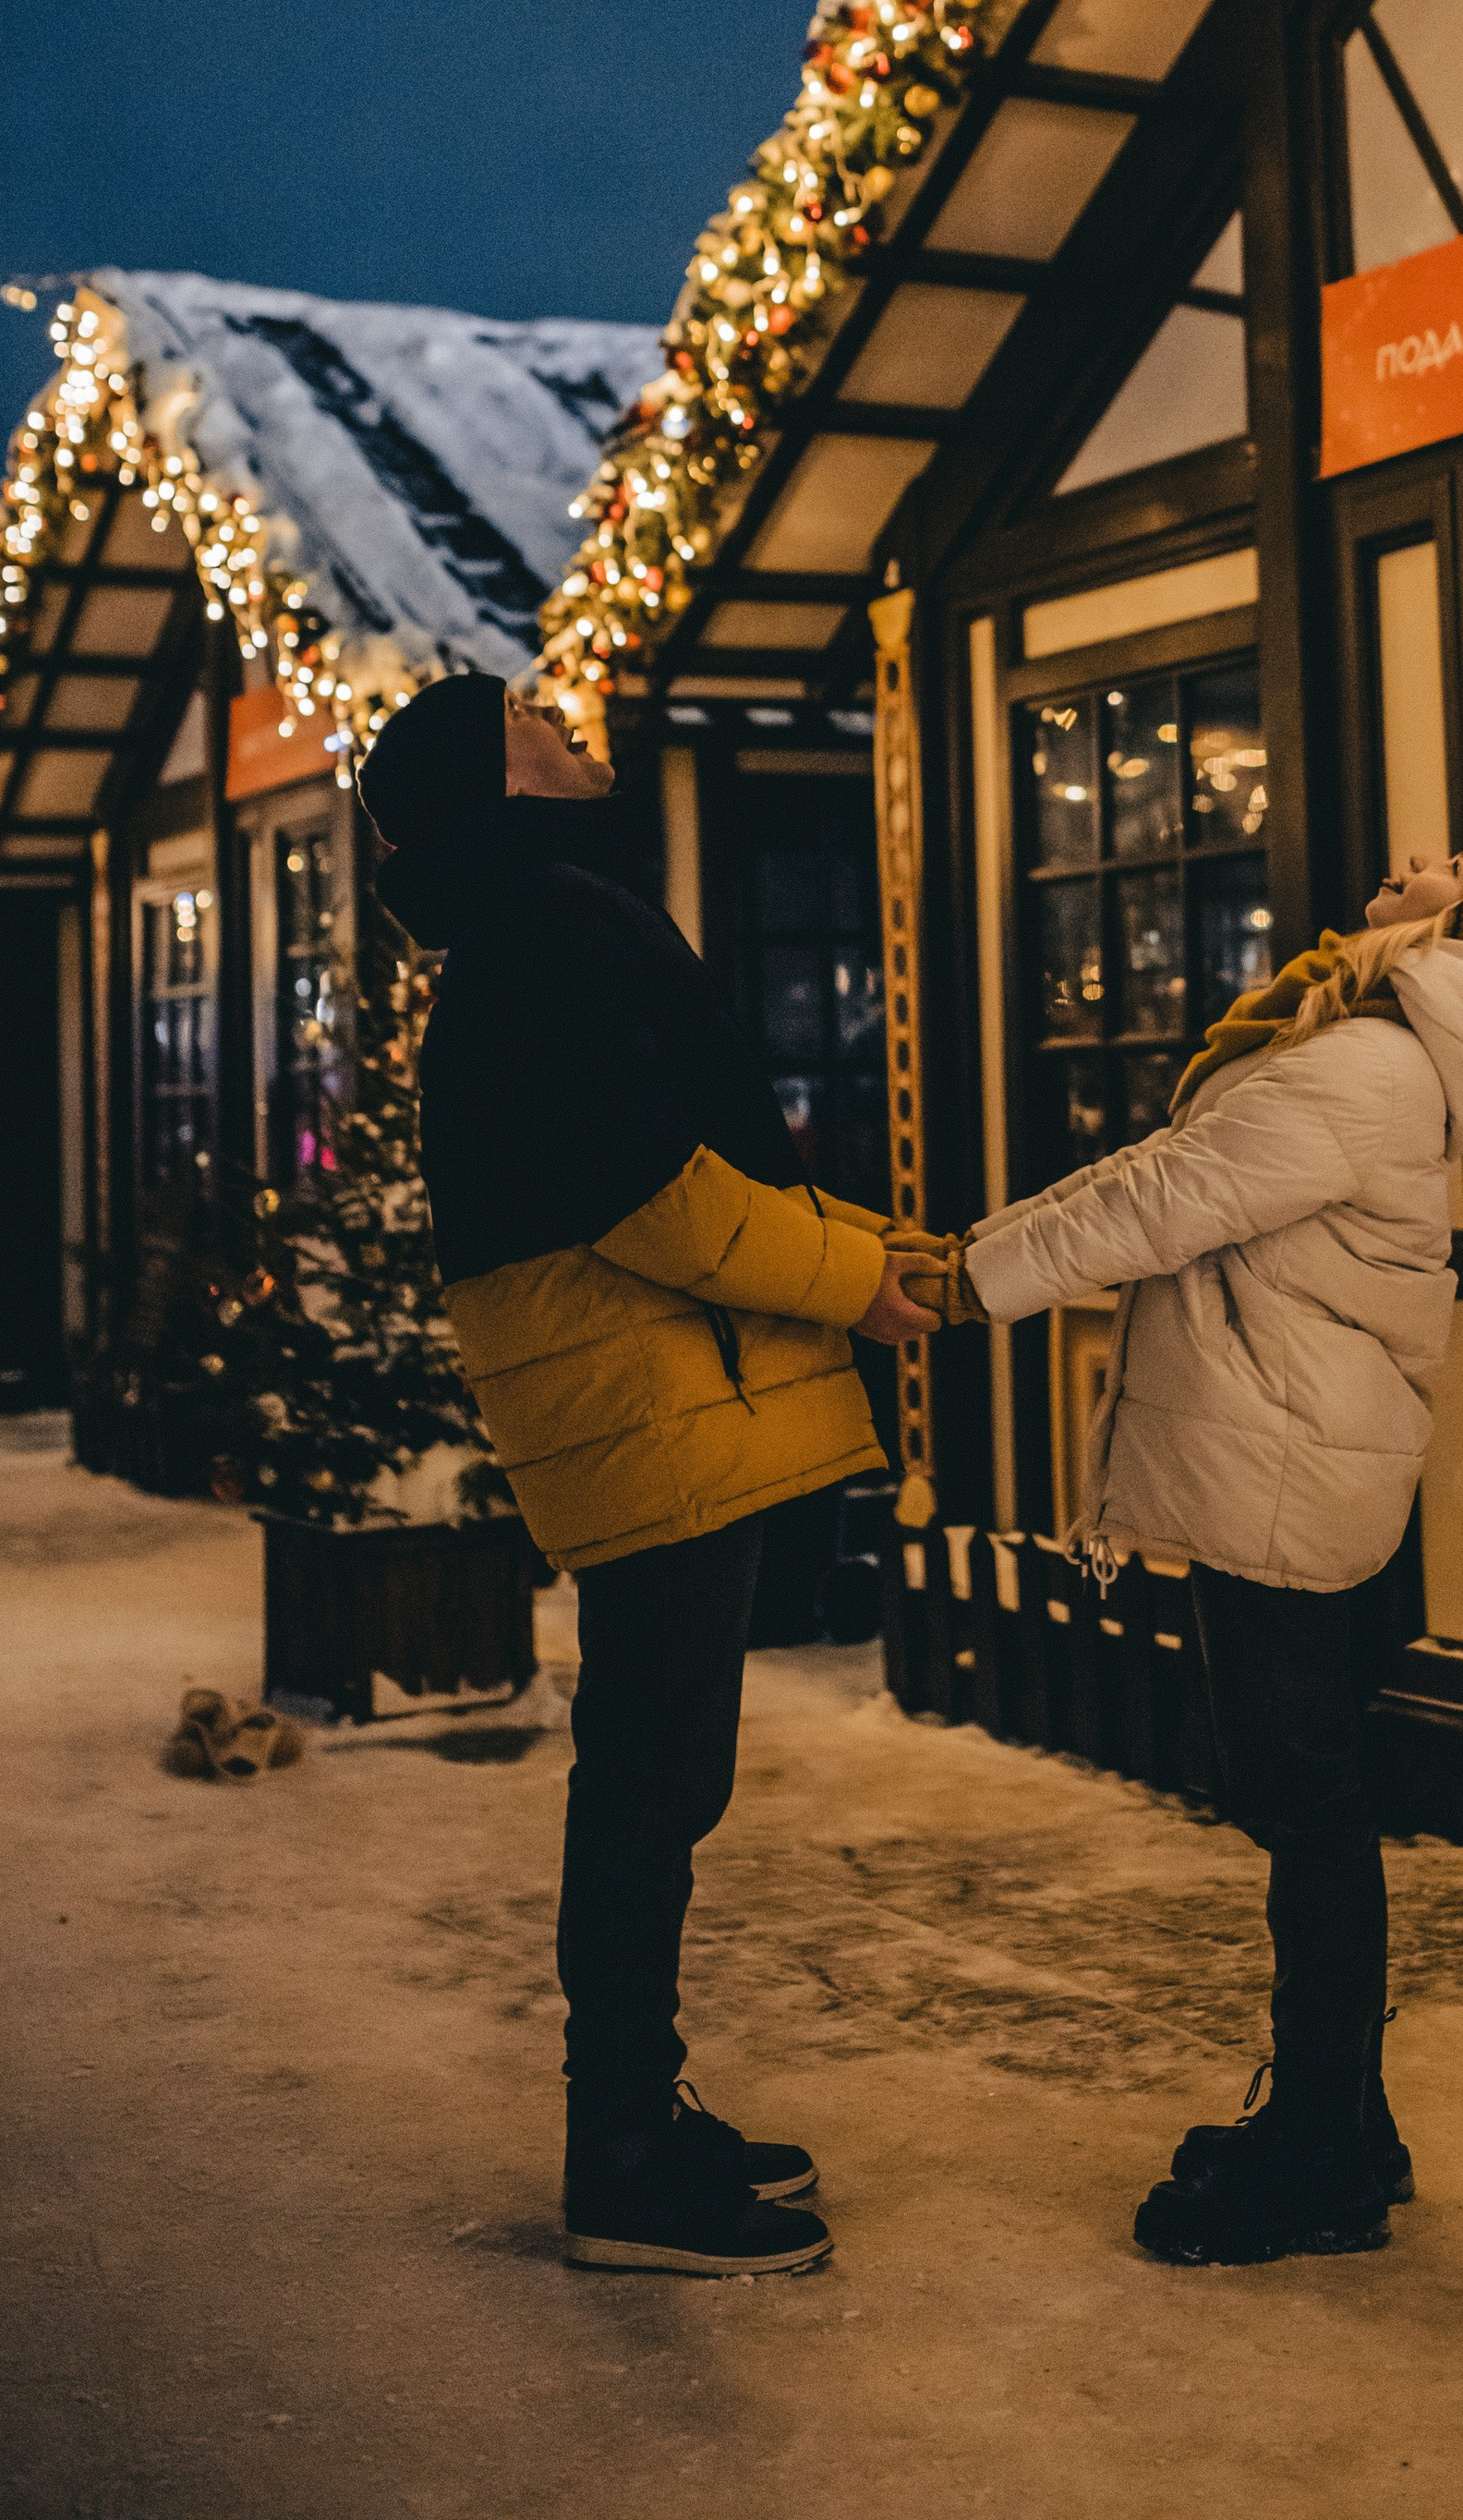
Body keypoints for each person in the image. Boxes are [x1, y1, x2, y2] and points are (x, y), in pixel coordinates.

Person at [948, 832, 1463, 2269]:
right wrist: (981, 1252)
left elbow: (1159, 1201)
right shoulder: (1377, 1051)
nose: (1413, 856)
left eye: (1451, 866)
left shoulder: (1369, 1069)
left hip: (1279, 1463)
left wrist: (961, 1279)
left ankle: (1320, 2149)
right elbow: (1175, 1172)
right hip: (1288, 1449)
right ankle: (1345, 2124)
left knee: (1300, 1799)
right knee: (1308, 1795)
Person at [357, 670, 938, 2279]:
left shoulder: (532, 928)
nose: (562, 714)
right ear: (501, 782)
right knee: (646, 1785)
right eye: (528, 714)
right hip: (658, 1398)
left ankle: (641, 2109)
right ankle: (619, 2154)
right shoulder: (553, 927)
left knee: (657, 1780)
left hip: (657, 1398)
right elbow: (657, 1195)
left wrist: (836, 1259)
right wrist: (860, 1272)